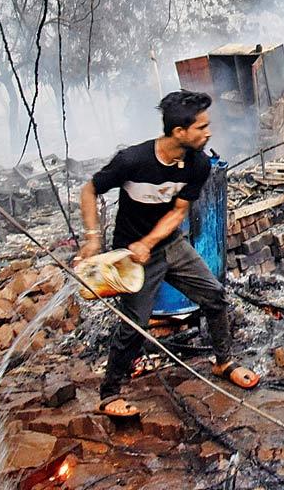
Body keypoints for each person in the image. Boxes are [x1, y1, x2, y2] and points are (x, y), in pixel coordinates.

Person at [78, 89, 258, 418]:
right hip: (130, 253)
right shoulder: (132, 161)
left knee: (215, 296)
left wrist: (151, 242)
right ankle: (110, 393)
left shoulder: (198, 164)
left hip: (169, 245)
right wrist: (92, 238)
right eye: (201, 128)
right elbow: (89, 189)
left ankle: (223, 362)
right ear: (179, 132)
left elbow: (178, 212)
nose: (208, 132)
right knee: (134, 324)